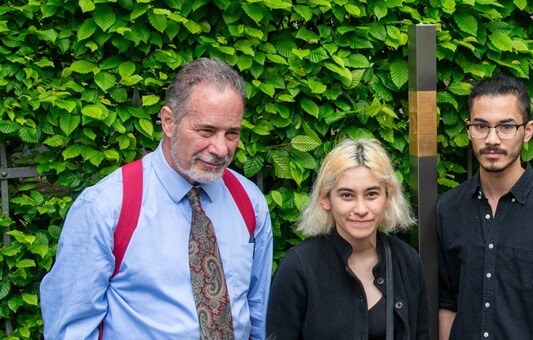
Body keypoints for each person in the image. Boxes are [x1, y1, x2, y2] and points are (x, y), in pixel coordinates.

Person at [40, 57, 273, 339]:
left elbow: (258, 312)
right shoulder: (107, 207)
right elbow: (71, 329)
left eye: (232, 133)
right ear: (168, 121)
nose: (221, 148)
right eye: (206, 131)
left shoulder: (249, 202)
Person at [436, 74, 533, 339]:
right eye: (481, 126)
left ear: (528, 130)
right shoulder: (448, 209)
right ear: (469, 130)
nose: (492, 139)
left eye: (506, 127)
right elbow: (448, 304)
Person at [267, 138, 430, 339]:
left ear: (387, 197)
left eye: (371, 194)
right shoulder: (299, 266)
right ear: (325, 199)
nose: (361, 209)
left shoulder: (406, 261)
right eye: (347, 195)